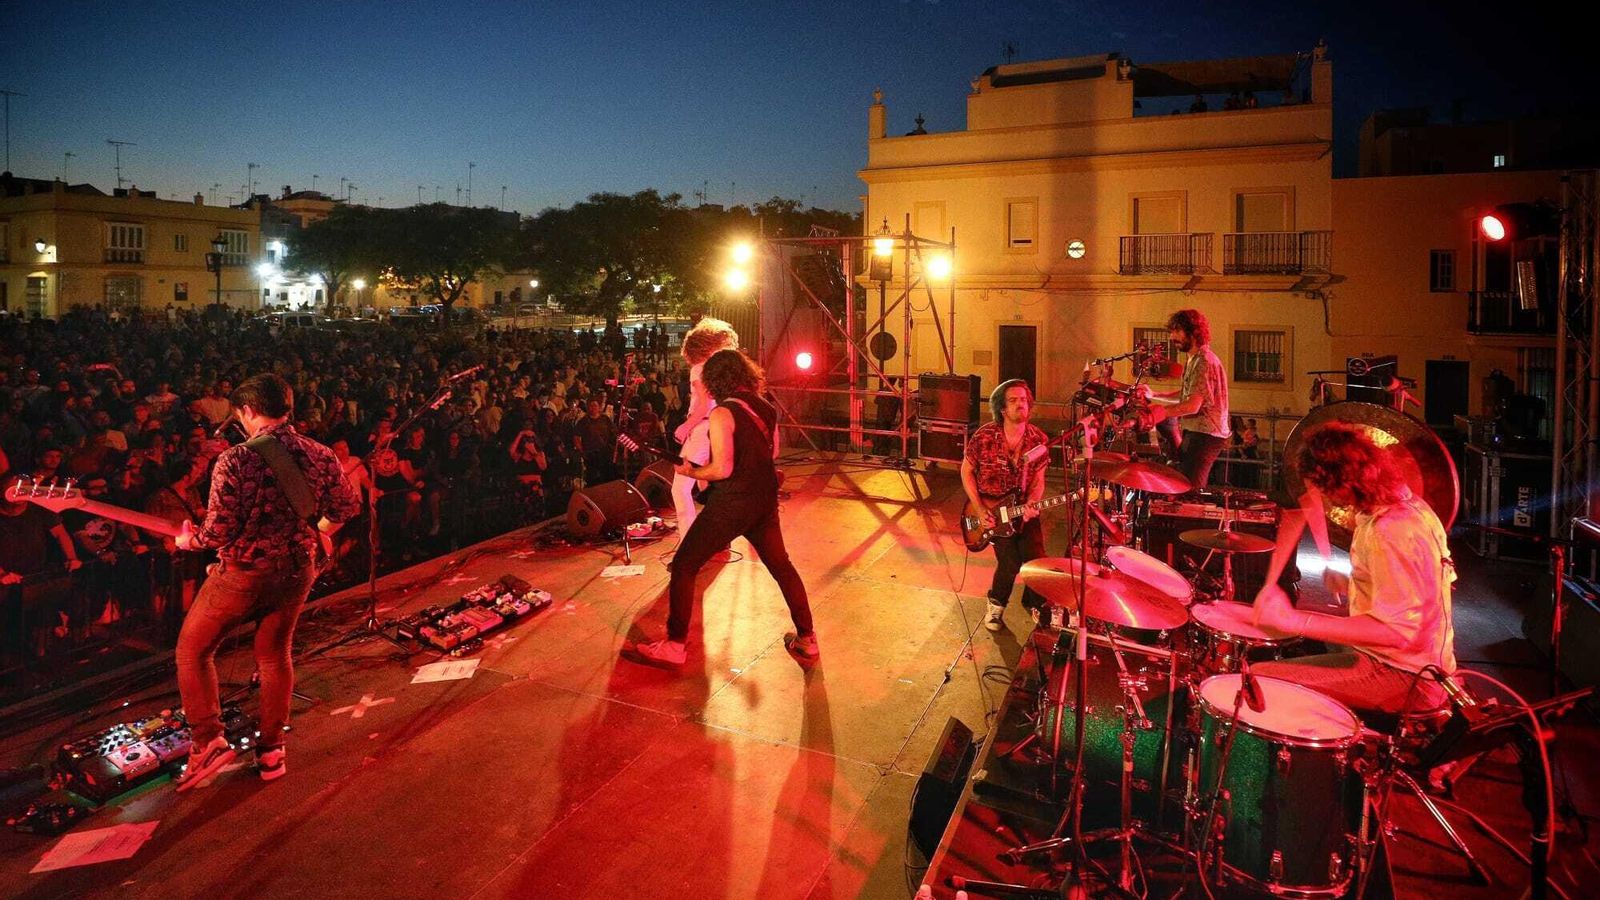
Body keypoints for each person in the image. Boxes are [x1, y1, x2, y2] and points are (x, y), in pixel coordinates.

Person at [172, 374, 361, 789]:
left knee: (192, 650)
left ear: (250, 411)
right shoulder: (319, 452)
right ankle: (272, 751)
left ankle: (209, 741)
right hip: (296, 571)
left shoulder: (236, 459)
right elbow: (348, 505)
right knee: (275, 656)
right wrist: (319, 531)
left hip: (245, 572)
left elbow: (218, 531)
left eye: (241, 414)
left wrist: (190, 542)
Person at [623, 349, 815, 669]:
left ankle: (674, 645)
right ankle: (807, 639)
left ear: (715, 380)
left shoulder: (722, 413)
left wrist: (692, 471)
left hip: (731, 503)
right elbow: (774, 451)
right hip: (763, 501)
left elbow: (722, 470)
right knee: (782, 567)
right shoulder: (765, 407)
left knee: (685, 565)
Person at [1251, 423, 1457, 717]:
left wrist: (1294, 620)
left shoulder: (1392, 530)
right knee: (1306, 651)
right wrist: (1352, 583)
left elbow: (1398, 632)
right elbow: (1421, 593)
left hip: (1406, 676)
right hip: (1410, 664)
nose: (1318, 495)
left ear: (1341, 480)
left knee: (1259, 678)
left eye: (1319, 486)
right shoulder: (1411, 508)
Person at [961, 379, 1049, 631]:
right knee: (1009, 563)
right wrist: (979, 508)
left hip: (1023, 509)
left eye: (1023, 399)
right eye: (1013, 400)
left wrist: (1033, 502)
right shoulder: (985, 436)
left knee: (1036, 559)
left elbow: (1039, 480)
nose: (1020, 404)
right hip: (991, 511)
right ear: (1002, 408)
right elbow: (966, 471)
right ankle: (996, 607)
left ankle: (1033, 602)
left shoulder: (1038, 439)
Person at [1140, 309, 1230, 489]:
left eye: (1177, 331)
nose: (1173, 337)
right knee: (1181, 484)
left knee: (1189, 489)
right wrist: (1155, 395)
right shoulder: (1194, 359)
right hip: (1197, 431)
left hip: (1206, 434)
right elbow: (1186, 395)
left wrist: (1158, 414)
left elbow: (1192, 405)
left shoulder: (1203, 361)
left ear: (1194, 332)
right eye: (1172, 331)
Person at [670, 317, 739, 541]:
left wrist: (685, 426)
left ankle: (689, 546)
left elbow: (702, 406)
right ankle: (718, 539)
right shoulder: (720, 370)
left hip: (701, 428)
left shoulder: (698, 369)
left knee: (680, 488)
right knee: (708, 487)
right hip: (719, 429)